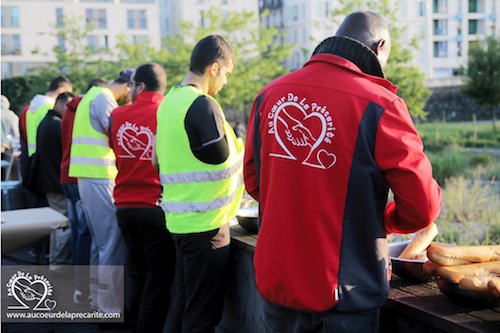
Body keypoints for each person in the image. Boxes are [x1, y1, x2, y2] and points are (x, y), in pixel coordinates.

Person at [243, 11, 442, 333]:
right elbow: (423, 208)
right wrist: (385, 221)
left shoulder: (270, 95)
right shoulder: (382, 105)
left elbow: (255, 182)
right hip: (346, 290)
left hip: (276, 281)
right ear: (381, 46)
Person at [155, 34, 244, 333]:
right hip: (207, 226)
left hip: (178, 223)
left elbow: (157, 161)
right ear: (214, 67)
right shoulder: (203, 105)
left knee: (181, 304)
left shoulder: (168, 102)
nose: (226, 83)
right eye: (227, 74)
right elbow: (222, 161)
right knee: (201, 316)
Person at [109, 63, 176, 333]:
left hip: (125, 207)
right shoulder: (168, 114)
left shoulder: (117, 115)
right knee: (157, 282)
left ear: (141, 86)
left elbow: (114, 147)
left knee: (138, 275)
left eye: (132, 83)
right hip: (155, 207)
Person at [69, 70, 132, 314]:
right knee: (112, 243)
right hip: (101, 177)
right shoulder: (104, 98)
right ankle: (109, 308)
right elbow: (119, 135)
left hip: (87, 177)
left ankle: (97, 301)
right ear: (128, 87)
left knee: (99, 244)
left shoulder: (90, 96)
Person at [60, 78, 106, 304]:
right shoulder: (89, 108)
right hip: (84, 175)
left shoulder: (70, 111)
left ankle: (80, 288)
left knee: (80, 233)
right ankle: (84, 289)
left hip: (69, 174)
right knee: (89, 235)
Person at [35, 91, 75, 272]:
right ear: (58, 104)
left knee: (57, 225)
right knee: (62, 225)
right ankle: (58, 264)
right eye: (67, 107)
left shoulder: (45, 122)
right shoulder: (57, 126)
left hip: (48, 181)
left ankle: (56, 261)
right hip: (56, 183)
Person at [19, 76, 73, 208]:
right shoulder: (50, 111)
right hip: (48, 168)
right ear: (60, 91)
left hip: (33, 164)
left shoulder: (29, 109)